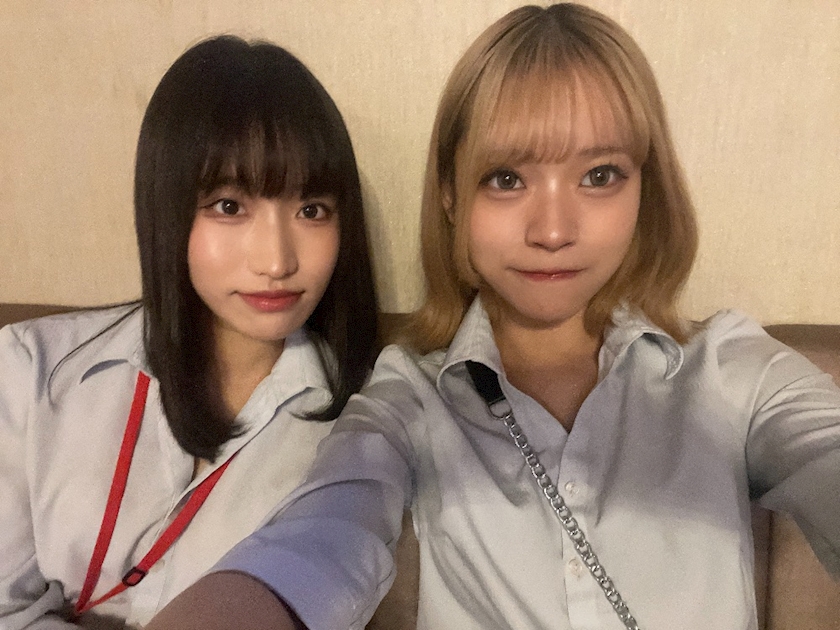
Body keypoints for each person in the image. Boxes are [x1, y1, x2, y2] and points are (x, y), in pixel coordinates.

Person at [146, 4, 840, 630]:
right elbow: (324, 533)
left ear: (645, 188)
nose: (553, 230)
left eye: (599, 175)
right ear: (451, 194)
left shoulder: (731, 372)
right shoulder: (410, 395)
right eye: (506, 178)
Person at [0, 35, 378, 629]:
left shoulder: (362, 422)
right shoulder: (30, 373)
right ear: (167, 209)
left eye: (311, 210)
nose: (277, 260)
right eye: (229, 206)